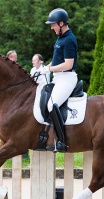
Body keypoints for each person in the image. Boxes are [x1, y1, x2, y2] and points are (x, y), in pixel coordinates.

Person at [41, 8, 78, 153]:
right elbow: (57, 60)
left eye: (53, 24)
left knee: (51, 104)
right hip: (58, 77)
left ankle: (62, 141)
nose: (52, 27)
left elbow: (68, 64)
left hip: (67, 78)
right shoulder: (61, 37)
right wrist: (46, 67)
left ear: (61, 23)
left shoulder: (69, 39)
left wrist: (50, 70)